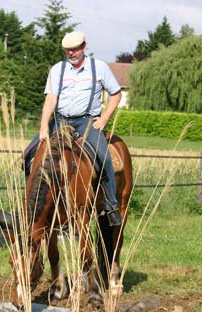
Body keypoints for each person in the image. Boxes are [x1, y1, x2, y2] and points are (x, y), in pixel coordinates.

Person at [37, 31, 123, 226]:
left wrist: (104, 118)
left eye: (75, 49)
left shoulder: (99, 68)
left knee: (104, 157)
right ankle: (31, 205)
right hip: (59, 121)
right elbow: (50, 99)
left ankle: (111, 206)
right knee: (30, 155)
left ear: (84, 47)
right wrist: (44, 126)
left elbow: (116, 94)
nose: (71, 53)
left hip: (86, 122)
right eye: (68, 50)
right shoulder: (58, 70)